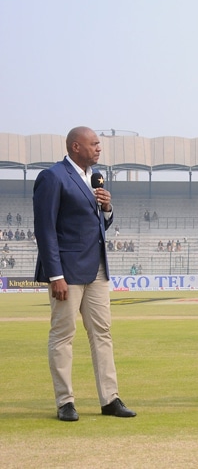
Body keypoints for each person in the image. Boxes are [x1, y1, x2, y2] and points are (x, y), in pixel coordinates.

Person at [32, 126, 136, 422]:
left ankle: (110, 398)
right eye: (94, 144)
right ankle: (65, 401)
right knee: (63, 335)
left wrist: (107, 207)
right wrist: (55, 275)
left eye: (99, 144)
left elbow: (98, 226)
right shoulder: (52, 177)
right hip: (67, 272)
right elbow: (45, 229)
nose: (99, 148)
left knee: (102, 333)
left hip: (97, 269)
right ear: (76, 147)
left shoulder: (92, 178)